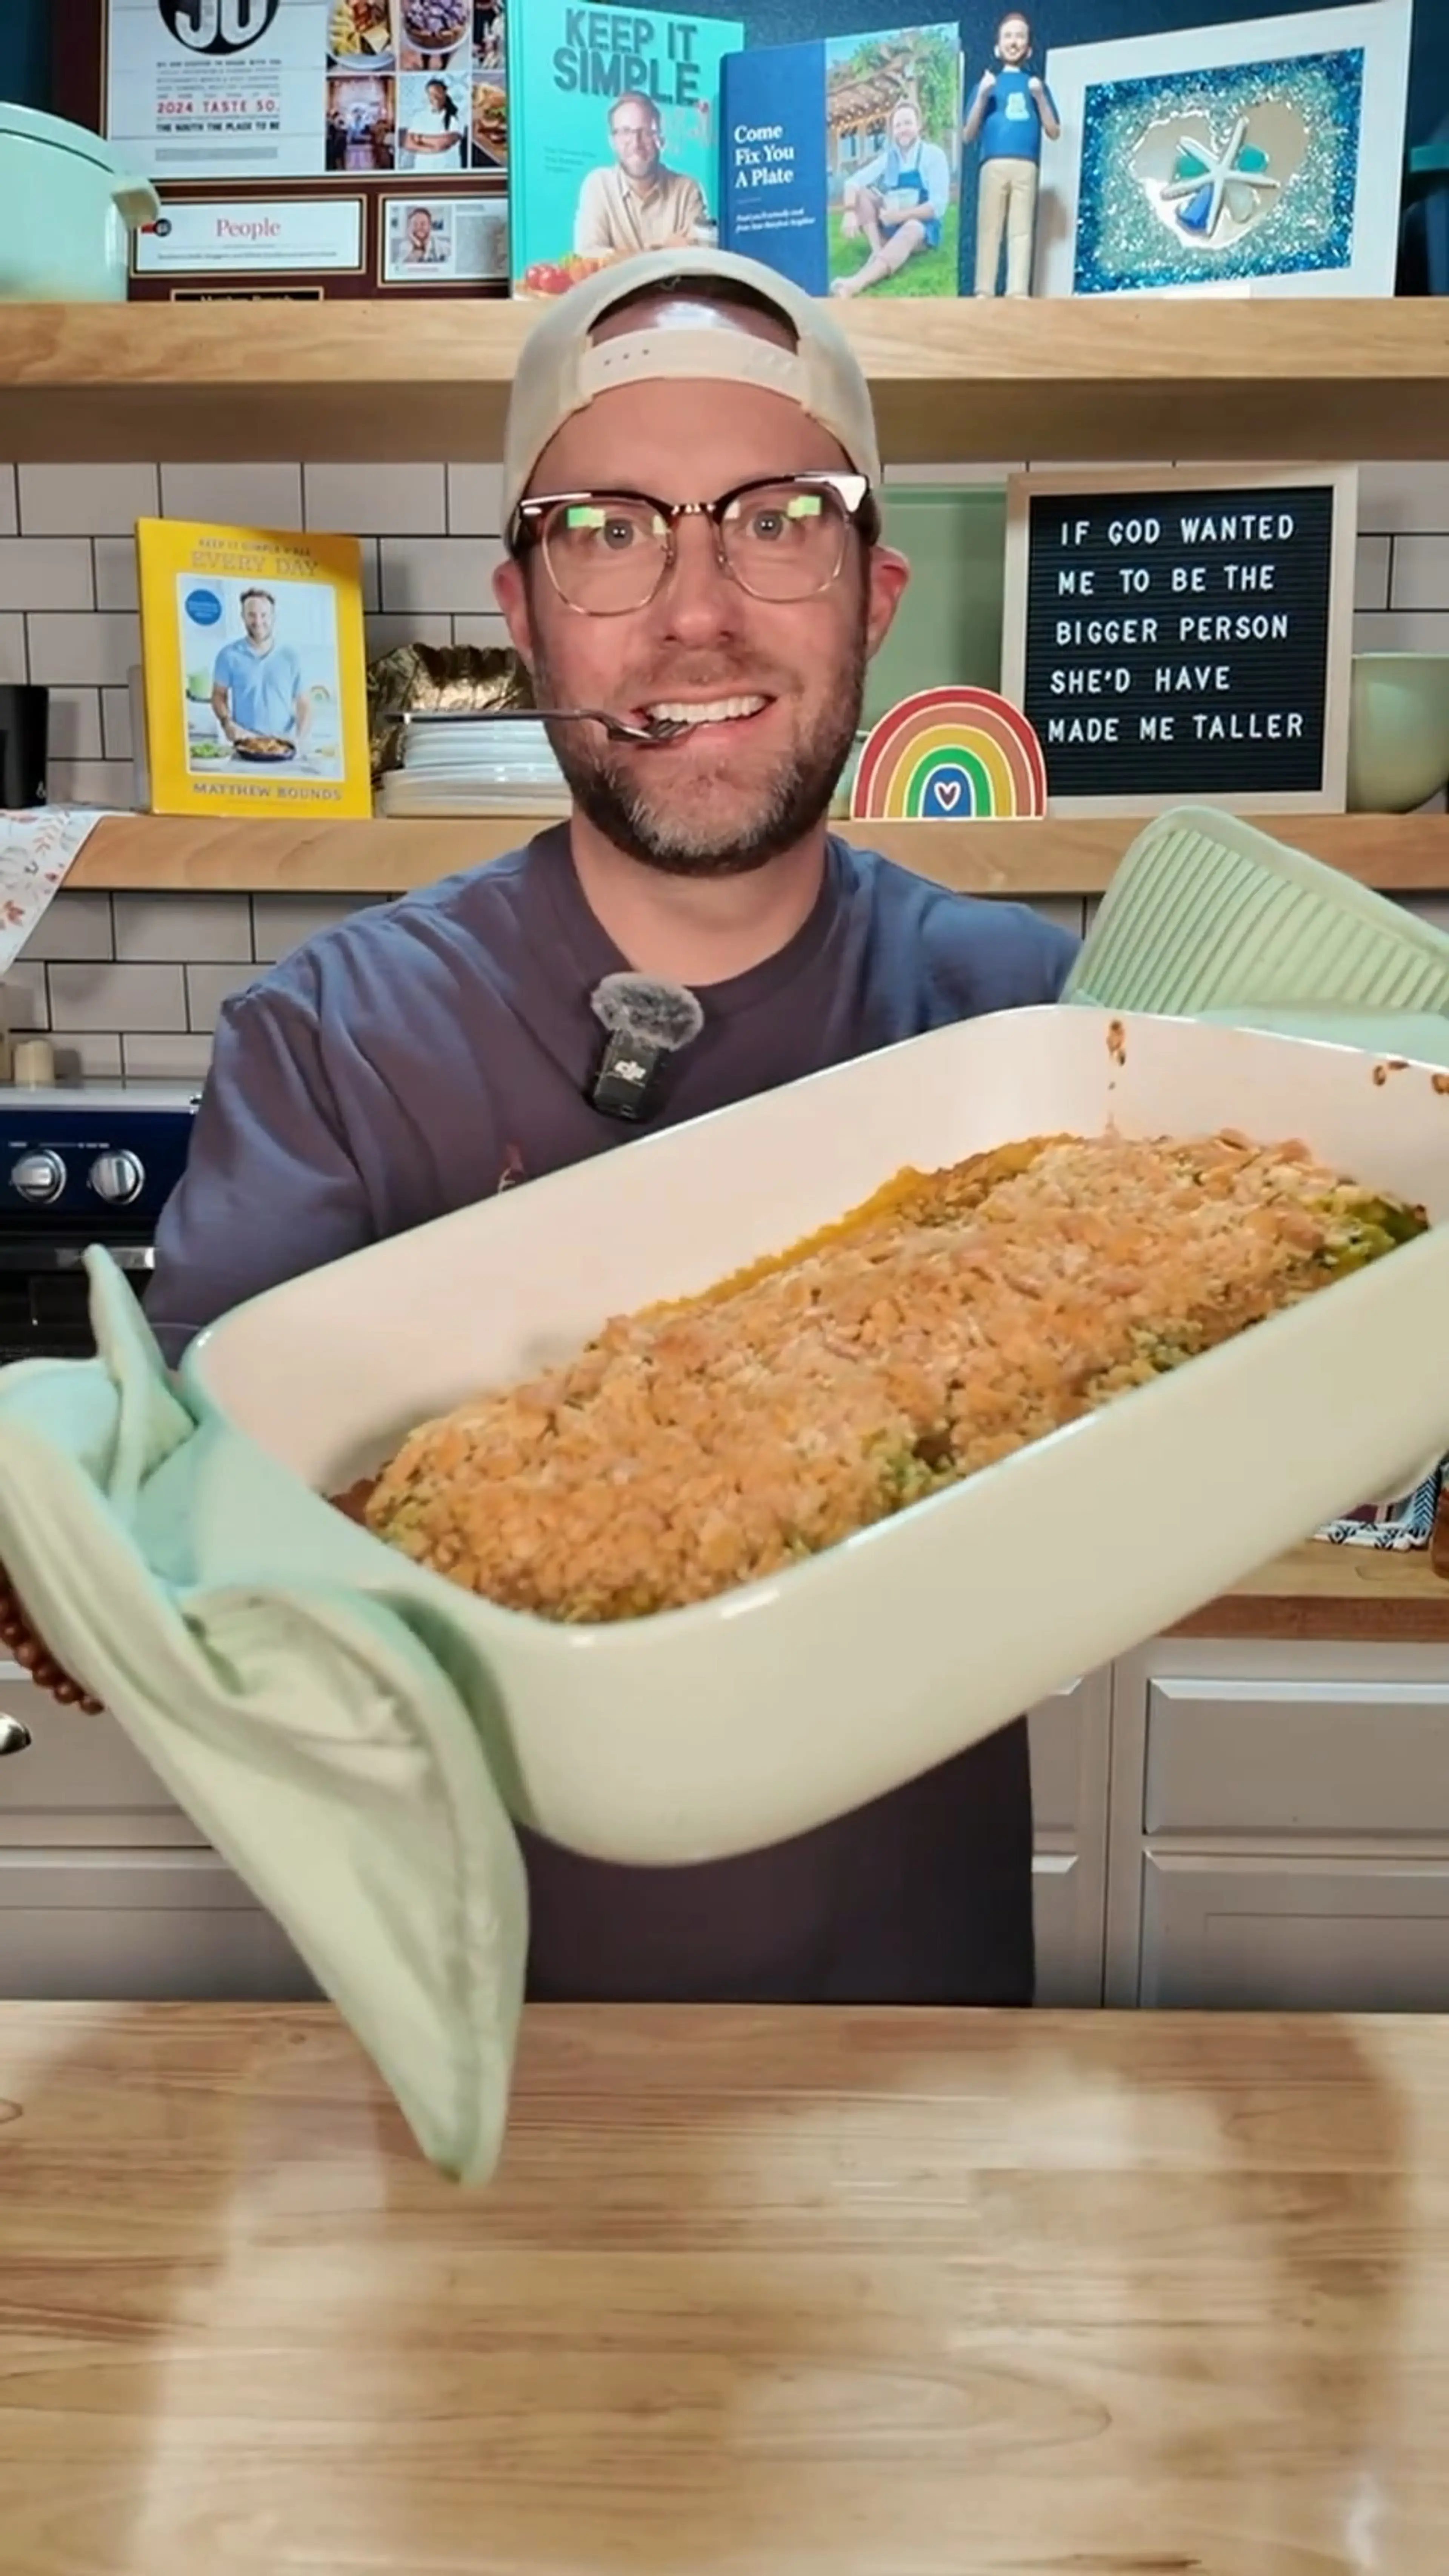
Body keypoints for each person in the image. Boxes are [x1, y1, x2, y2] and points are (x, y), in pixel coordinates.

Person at [148, 244, 1078, 2010]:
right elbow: (208, 1560)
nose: (696, 608)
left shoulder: (1021, 1029)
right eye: (609, 530)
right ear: (520, 601)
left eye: (776, 518)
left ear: (876, 589)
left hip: (929, 2042)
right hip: (472, 2050)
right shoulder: (340, 1044)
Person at [964, 11, 1060, 297]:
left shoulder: (1036, 86)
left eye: (1020, 36)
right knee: (989, 229)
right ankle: (985, 289)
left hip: (1026, 166)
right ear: (997, 46)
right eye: (1008, 36)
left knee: (1021, 231)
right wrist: (982, 95)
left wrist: (1040, 96)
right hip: (993, 164)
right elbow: (968, 133)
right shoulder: (988, 85)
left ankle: (1018, 289)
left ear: (1029, 47)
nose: (1014, 42)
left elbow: (1054, 130)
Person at [832, 94, 953, 299]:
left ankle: (856, 283)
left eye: (908, 123)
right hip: (891, 224)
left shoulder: (933, 155)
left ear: (919, 126)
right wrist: (850, 213)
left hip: (921, 229)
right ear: (892, 131)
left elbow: (938, 206)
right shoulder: (890, 158)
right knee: (862, 194)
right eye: (898, 126)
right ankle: (878, 251)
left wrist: (899, 216)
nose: (903, 130)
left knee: (912, 227)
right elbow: (852, 182)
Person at [574, 91, 706, 258]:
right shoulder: (598, 185)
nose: (636, 143)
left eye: (646, 132)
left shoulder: (687, 190)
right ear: (613, 142)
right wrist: (662, 252)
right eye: (625, 132)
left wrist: (617, 257)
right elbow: (589, 256)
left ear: (661, 139)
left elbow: (699, 258)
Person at [210, 589, 309, 754]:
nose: (258, 621)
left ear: (273, 617)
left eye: (264, 615)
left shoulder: (291, 657)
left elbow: (304, 702)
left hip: (283, 745)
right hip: (245, 743)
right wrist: (227, 723)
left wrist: (300, 739)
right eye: (251, 615)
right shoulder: (228, 655)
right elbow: (218, 695)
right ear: (243, 616)